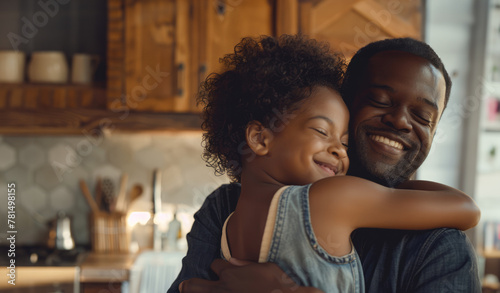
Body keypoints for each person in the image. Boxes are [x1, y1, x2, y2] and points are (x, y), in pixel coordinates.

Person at [168, 37, 482, 293]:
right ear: (347, 103)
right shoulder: (223, 206)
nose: (400, 120)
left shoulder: (439, 246)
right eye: (380, 100)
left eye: (423, 117)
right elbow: (468, 208)